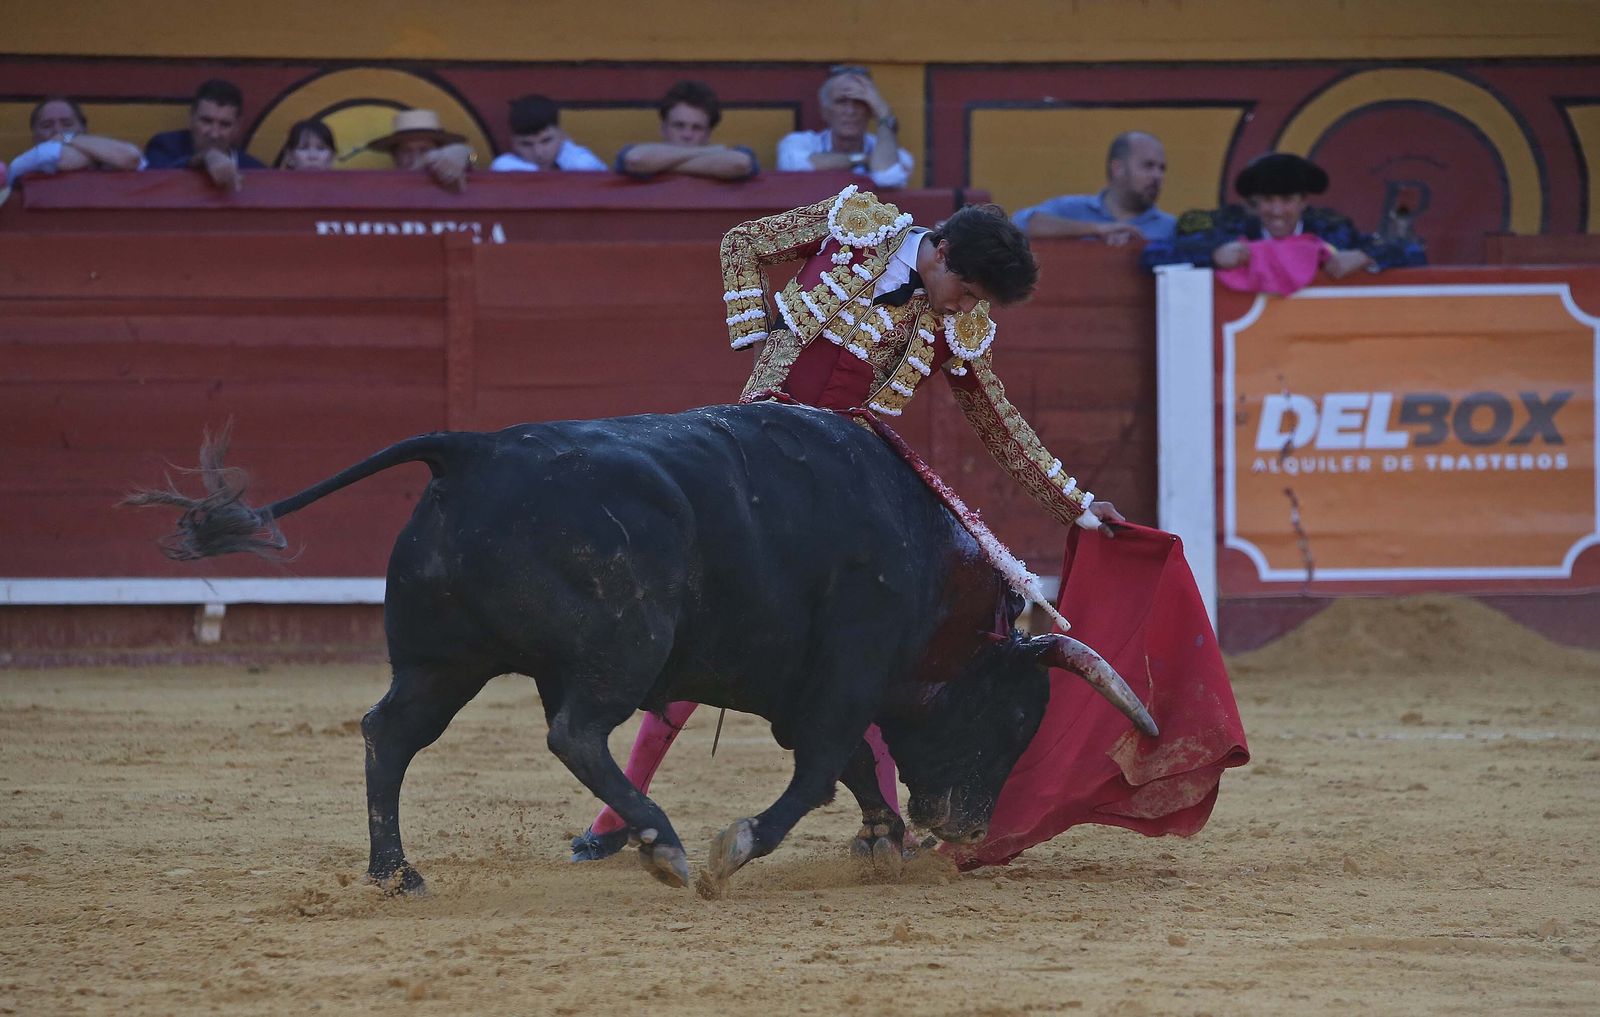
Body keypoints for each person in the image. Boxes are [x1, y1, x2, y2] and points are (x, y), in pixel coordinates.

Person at [571, 184, 1124, 861]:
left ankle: (880, 818)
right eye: (966, 288)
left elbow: (998, 423)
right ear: (940, 250)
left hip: (840, 483)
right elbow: (742, 244)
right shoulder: (855, 226)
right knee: (704, 624)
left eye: (978, 300)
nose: (965, 305)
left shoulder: (956, 324)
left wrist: (1076, 501)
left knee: (869, 641)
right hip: (755, 453)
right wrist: (756, 334)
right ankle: (615, 811)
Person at [1141, 151, 1426, 292]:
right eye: (1267, 200)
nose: (1276, 211)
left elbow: (1414, 253)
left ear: (1303, 201)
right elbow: (1152, 255)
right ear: (1254, 202)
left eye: (1287, 200)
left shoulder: (1332, 230)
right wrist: (1213, 254)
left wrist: (1364, 256)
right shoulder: (1229, 227)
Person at [1012, 131, 1174, 245]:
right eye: (1148, 166)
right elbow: (1020, 224)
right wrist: (1096, 229)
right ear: (1118, 169)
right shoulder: (1071, 209)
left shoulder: (1172, 229)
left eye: (1162, 169)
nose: (1157, 176)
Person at [776, 65, 914, 190]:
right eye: (841, 102)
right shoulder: (798, 143)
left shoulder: (897, 155)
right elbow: (794, 165)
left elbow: (888, 177)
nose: (850, 111)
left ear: (871, 111)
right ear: (825, 111)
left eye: (859, 102)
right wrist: (862, 159)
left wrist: (884, 114)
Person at [615, 80, 758, 181]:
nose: (687, 135)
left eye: (697, 128)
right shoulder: (636, 151)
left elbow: (740, 163)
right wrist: (710, 151)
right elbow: (636, 160)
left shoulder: (739, 152)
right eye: (679, 125)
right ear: (663, 128)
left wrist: (658, 165)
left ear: (708, 133)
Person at [144, 79, 264, 192]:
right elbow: (154, 180)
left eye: (225, 125)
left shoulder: (256, 171)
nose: (214, 134)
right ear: (191, 118)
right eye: (206, 121)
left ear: (237, 126)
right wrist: (206, 157)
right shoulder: (164, 147)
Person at [9, 96, 144, 179]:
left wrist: (67, 139)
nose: (58, 131)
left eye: (67, 124)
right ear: (35, 137)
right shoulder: (25, 161)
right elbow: (64, 159)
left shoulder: (66, 137)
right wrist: (105, 156)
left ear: (83, 129)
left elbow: (131, 157)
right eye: (46, 126)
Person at [362, 109, 476, 193]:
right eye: (406, 151)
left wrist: (467, 152)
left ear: (441, 151)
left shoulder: (456, 162)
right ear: (394, 156)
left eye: (424, 150)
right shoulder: (382, 191)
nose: (416, 157)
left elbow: (475, 158)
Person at [490, 94, 605, 172]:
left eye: (546, 141)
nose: (539, 153)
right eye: (526, 144)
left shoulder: (580, 162)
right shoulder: (505, 168)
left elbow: (584, 166)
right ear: (514, 144)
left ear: (562, 136)